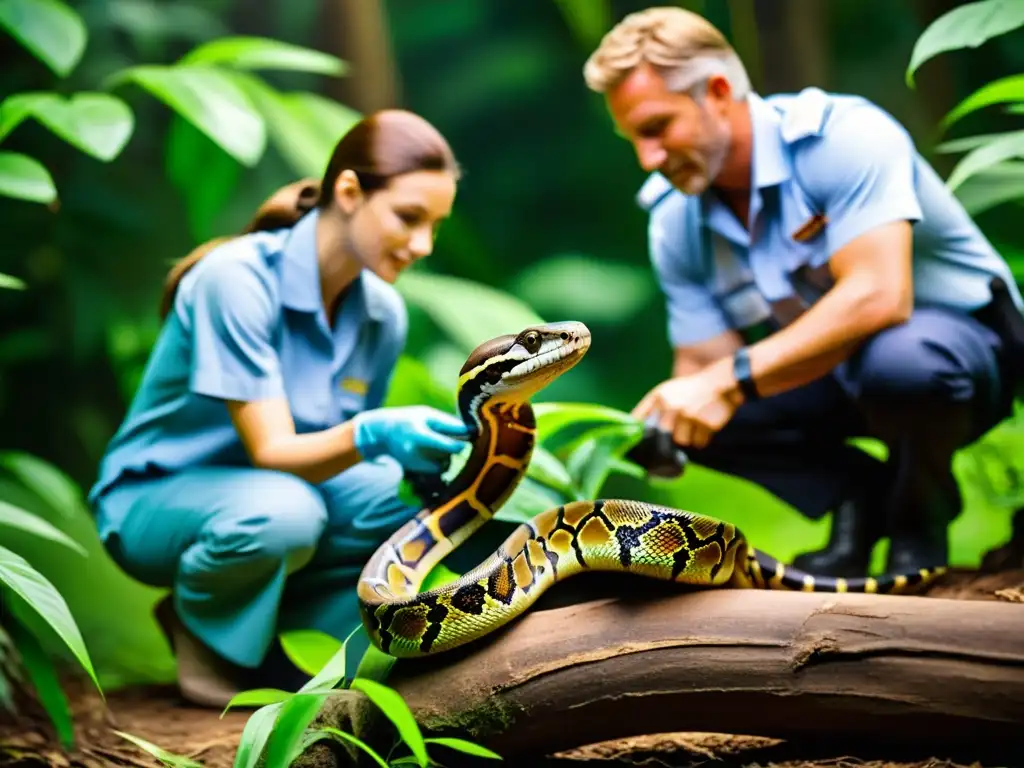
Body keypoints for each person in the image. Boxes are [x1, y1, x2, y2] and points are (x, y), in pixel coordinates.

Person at [582, 7, 1024, 579]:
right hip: (839, 369)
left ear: (717, 92)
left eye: (656, 128)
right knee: (682, 414)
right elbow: (702, 367)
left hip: (962, 355)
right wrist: (663, 428)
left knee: (902, 362)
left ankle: (920, 522)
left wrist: (723, 381)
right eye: (634, 139)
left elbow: (879, 298)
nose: (648, 158)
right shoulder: (673, 219)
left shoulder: (842, 137)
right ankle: (861, 501)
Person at [87, 110, 472, 707]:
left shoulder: (382, 314)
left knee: (404, 500)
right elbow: (274, 451)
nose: (422, 245)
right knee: (285, 513)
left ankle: (294, 650)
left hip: (286, 494)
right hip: (158, 499)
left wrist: (416, 466)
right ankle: (205, 635)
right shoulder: (235, 280)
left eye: (436, 226)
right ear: (348, 192)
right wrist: (373, 431)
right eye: (408, 218)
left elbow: (346, 466)